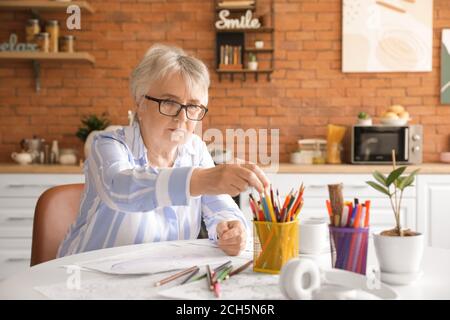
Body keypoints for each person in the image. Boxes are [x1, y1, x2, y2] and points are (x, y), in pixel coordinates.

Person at [57, 44, 269, 257]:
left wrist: (232, 228)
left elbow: (220, 207)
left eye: (193, 106)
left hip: (163, 277)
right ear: (140, 104)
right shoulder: (107, 144)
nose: (183, 117)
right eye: (169, 102)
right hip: (89, 278)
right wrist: (201, 180)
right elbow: (120, 188)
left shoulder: (195, 150)